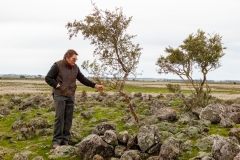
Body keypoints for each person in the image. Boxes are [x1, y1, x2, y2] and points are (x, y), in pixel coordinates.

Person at [45, 49, 105, 149]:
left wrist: (95, 85)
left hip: (70, 95)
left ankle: (65, 141)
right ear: (67, 58)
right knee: (59, 118)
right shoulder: (57, 65)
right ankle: (56, 141)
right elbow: (48, 78)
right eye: (73, 59)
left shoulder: (75, 68)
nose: (75, 60)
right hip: (59, 95)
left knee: (68, 119)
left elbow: (82, 79)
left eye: (76, 59)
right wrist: (57, 85)